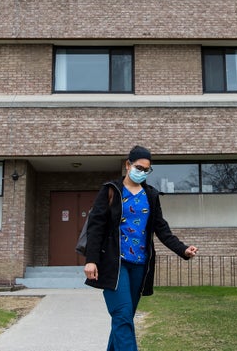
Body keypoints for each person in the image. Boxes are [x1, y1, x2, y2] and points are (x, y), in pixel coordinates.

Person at [83, 145, 198, 351]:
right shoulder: (111, 190)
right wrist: (91, 259)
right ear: (128, 165)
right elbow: (96, 227)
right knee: (123, 314)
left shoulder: (151, 195)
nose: (142, 172)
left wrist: (183, 249)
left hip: (139, 266)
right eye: (139, 167)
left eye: (147, 170)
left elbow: (161, 229)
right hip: (114, 264)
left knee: (124, 318)